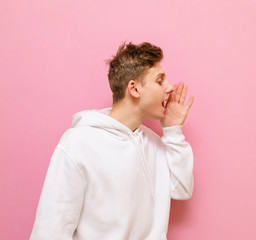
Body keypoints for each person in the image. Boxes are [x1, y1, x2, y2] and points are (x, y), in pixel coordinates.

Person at [29, 42, 195, 240]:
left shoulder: (154, 143)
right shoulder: (78, 144)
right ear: (134, 89)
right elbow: (50, 232)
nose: (169, 88)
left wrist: (173, 131)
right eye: (160, 81)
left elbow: (182, 189)